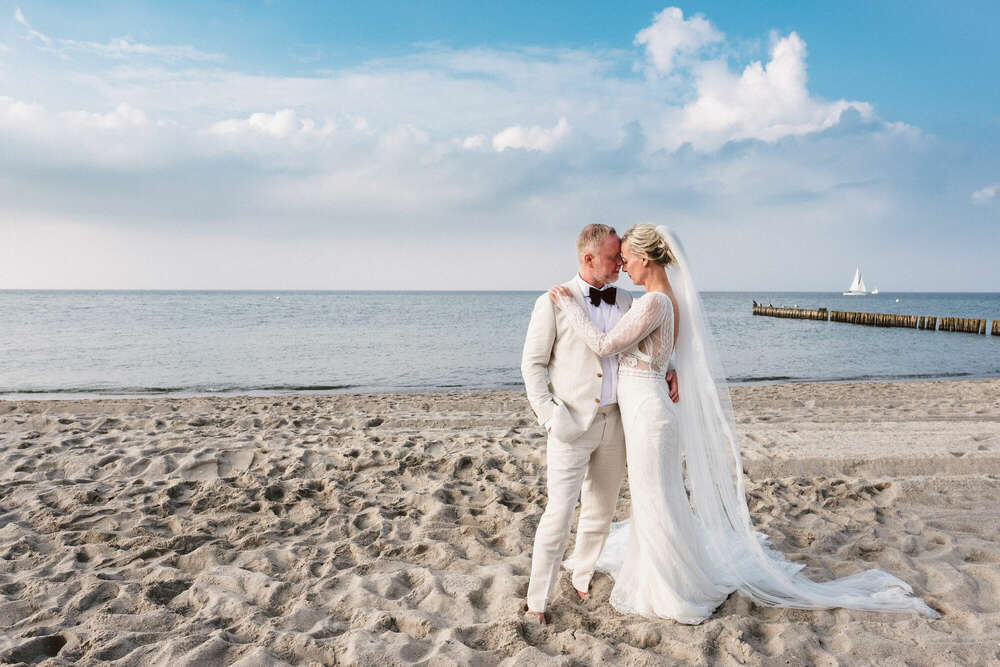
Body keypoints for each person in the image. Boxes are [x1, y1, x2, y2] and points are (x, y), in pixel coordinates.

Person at [545, 223, 939, 623]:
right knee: (656, 498)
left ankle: (670, 586)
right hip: (649, 408)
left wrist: (571, 308)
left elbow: (605, 345)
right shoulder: (665, 300)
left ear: (645, 258)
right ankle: (668, 573)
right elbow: (664, 352)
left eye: (627, 259)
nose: (624, 266)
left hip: (648, 415)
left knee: (656, 499)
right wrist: (672, 369)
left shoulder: (654, 303)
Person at [520, 223, 678, 624]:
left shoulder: (628, 299)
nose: (621, 265)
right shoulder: (554, 301)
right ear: (588, 259)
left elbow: (646, 341)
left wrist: (670, 368)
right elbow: (532, 366)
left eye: (622, 257)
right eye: (613, 258)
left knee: (601, 509)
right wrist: (549, 416)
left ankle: (582, 575)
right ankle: (537, 598)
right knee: (558, 511)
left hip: (618, 422)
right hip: (570, 424)